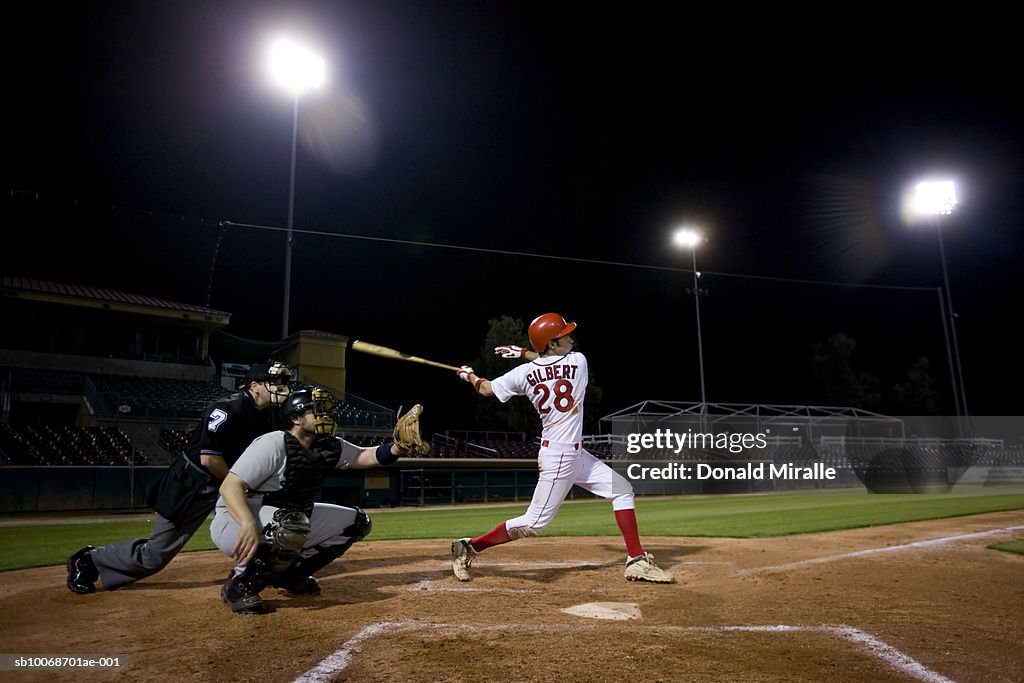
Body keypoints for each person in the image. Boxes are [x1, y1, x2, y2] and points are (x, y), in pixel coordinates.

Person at [451, 313, 674, 584]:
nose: (571, 337)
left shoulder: (524, 374)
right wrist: (525, 352)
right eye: (564, 334)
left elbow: (486, 389)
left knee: (622, 490)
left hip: (573, 453)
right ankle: (469, 546)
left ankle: (636, 560)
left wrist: (469, 375)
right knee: (533, 524)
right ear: (553, 344)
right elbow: (547, 361)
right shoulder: (579, 361)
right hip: (559, 457)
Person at [65, 361, 293, 594]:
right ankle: (89, 560)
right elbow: (209, 460)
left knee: (269, 526)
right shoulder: (226, 409)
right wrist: (241, 486)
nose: (282, 388)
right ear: (254, 386)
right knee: (155, 555)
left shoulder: (270, 415)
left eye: (285, 382)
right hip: (193, 484)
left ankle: (265, 572)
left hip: (226, 484)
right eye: (275, 382)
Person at [210, 386, 426, 614]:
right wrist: (247, 523)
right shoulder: (274, 442)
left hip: (288, 519)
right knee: (291, 524)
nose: (326, 415)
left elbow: (366, 455)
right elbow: (230, 485)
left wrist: (397, 447)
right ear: (295, 417)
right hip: (235, 519)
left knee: (357, 522)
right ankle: (239, 584)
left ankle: (290, 576)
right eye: (317, 410)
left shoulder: (327, 446)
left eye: (326, 409)